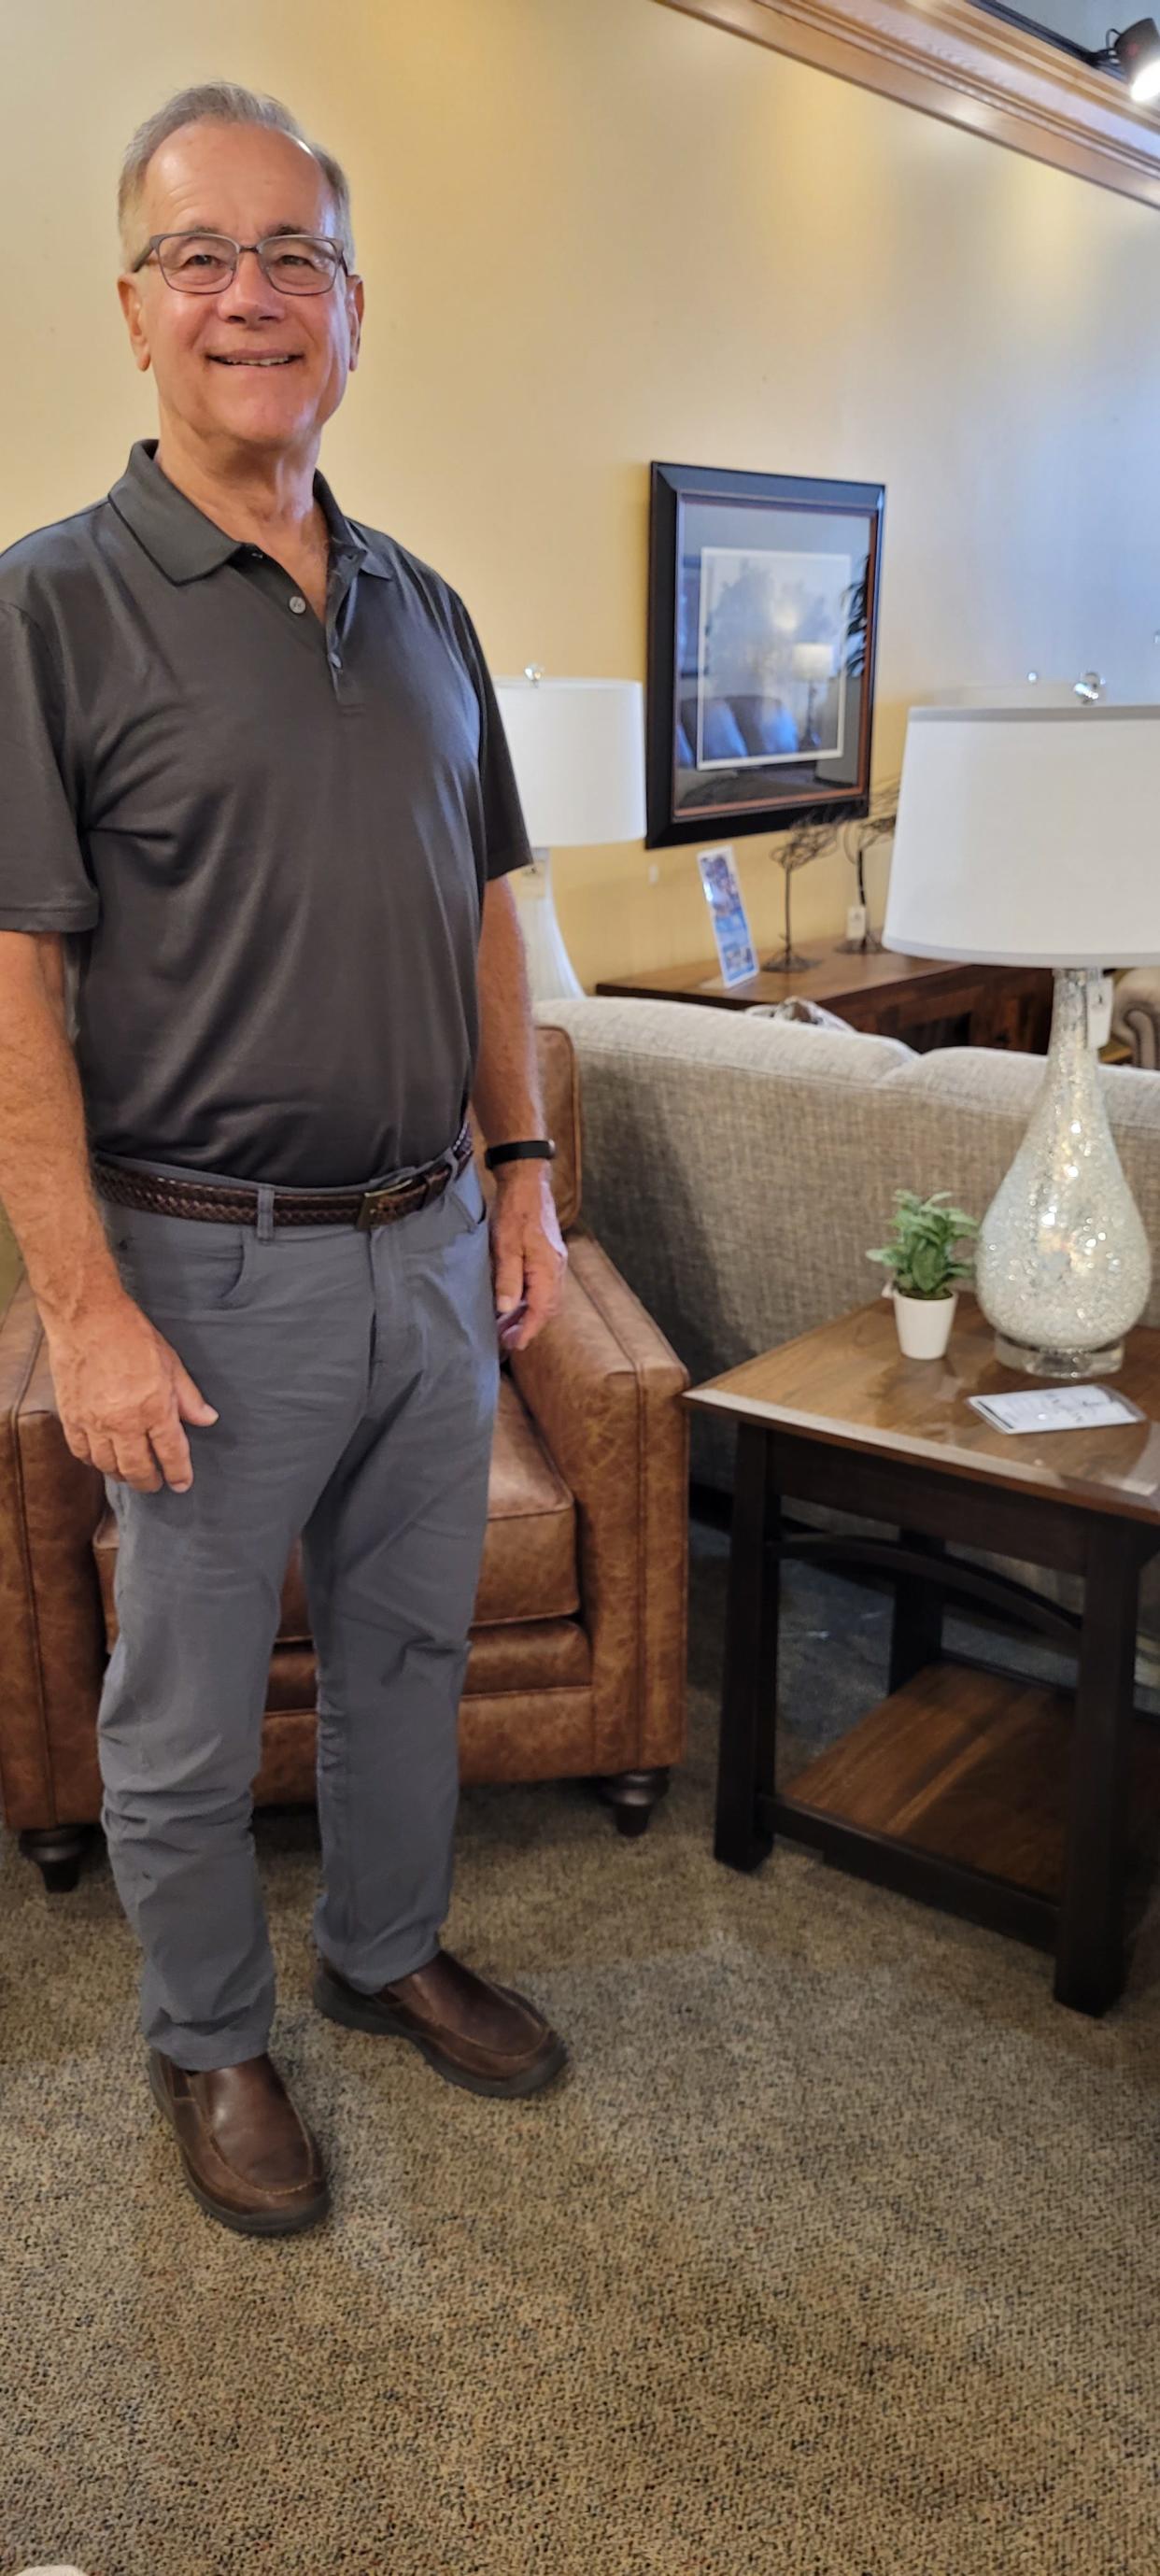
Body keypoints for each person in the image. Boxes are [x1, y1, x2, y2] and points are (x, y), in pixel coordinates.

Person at [0, 82, 570, 2239]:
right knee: (184, 1704)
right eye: (203, 259)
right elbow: (11, 997)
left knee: (409, 1644)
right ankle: (211, 2032)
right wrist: (82, 1307)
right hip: (197, 1268)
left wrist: (518, 1166)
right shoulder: (45, 611)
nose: (255, 297)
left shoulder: (423, 605)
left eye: (295, 258)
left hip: (428, 1245)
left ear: (354, 306)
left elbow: (485, 909)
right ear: (135, 310)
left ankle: (384, 1940)